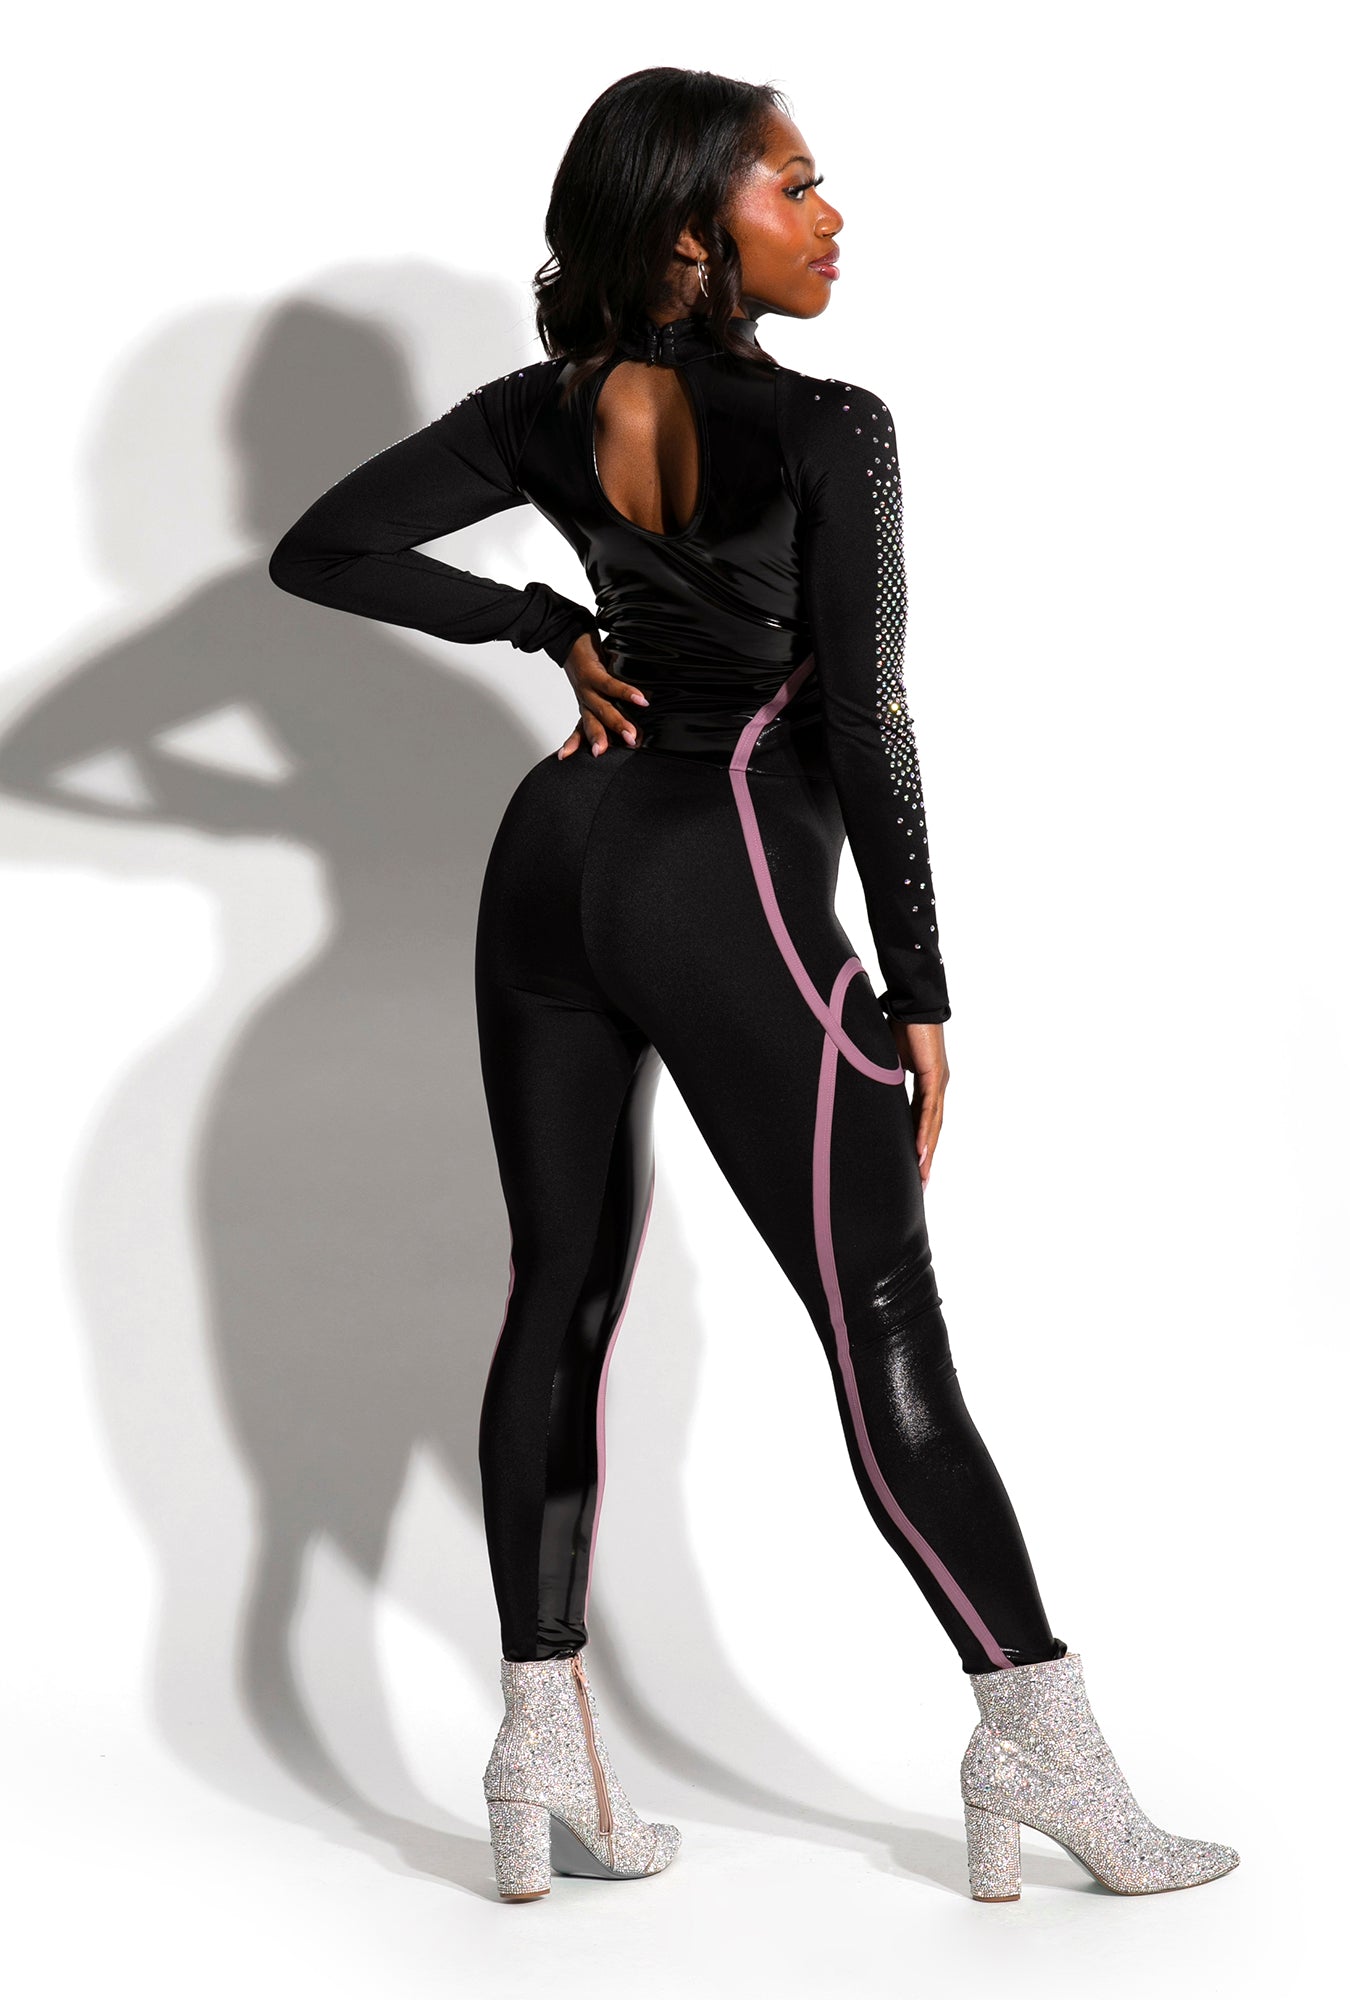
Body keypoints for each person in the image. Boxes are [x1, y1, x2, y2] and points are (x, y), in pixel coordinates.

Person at [268, 66, 1238, 1906]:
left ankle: (540, 1736)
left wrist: (547, 623)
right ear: (693, 232)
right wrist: (921, 982)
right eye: (796, 186)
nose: (833, 215)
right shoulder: (829, 427)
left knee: (556, 1292)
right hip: (718, 876)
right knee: (881, 1321)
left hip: (549, 861)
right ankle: (1036, 1744)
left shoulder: (538, 414)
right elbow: (867, 720)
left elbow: (321, 549)